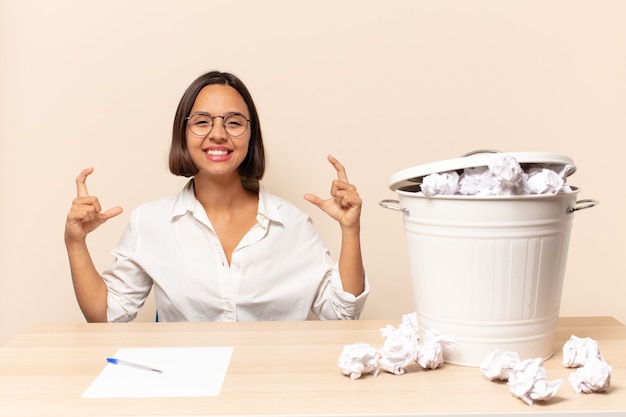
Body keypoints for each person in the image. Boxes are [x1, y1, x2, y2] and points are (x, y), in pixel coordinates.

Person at [64, 70, 369, 323]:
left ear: (251, 137)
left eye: (234, 122)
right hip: (188, 386)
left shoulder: (293, 223)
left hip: (272, 386)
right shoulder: (150, 222)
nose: (218, 134)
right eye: (202, 121)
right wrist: (75, 243)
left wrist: (350, 229)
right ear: (183, 134)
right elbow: (106, 316)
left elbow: (342, 315)